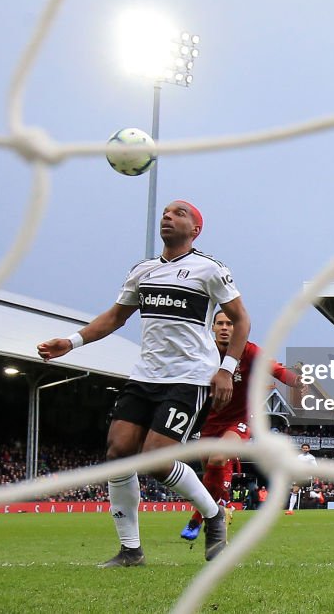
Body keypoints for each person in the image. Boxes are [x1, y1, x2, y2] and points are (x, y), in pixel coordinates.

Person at [37, 200, 249, 567]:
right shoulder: (143, 270)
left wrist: (226, 369)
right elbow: (116, 316)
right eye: (166, 212)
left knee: (155, 458)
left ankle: (213, 514)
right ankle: (130, 550)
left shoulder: (210, 269)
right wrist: (70, 342)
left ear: (195, 229)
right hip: (144, 376)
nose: (168, 216)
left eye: (180, 213)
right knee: (117, 454)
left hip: (190, 375)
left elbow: (242, 320)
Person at [179, 310, 304, 540]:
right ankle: (221, 510)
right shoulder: (204, 352)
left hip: (239, 421)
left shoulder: (250, 351)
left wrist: (295, 381)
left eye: (229, 323)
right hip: (208, 422)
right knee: (211, 476)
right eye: (220, 323)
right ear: (213, 327)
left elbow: (275, 368)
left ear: (237, 328)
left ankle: (196, 518)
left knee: (218, 458)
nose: (225, 327)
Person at [286, 443, 318, 514]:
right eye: (304, 448)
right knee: (294, 491)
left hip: (308, 478)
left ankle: (317, 496)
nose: (305, 449)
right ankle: (290, 510)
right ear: (301, 449)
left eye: (306, 448)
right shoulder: (298, 457)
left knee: (307, 495)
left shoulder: (311, 457)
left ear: (309, 449)